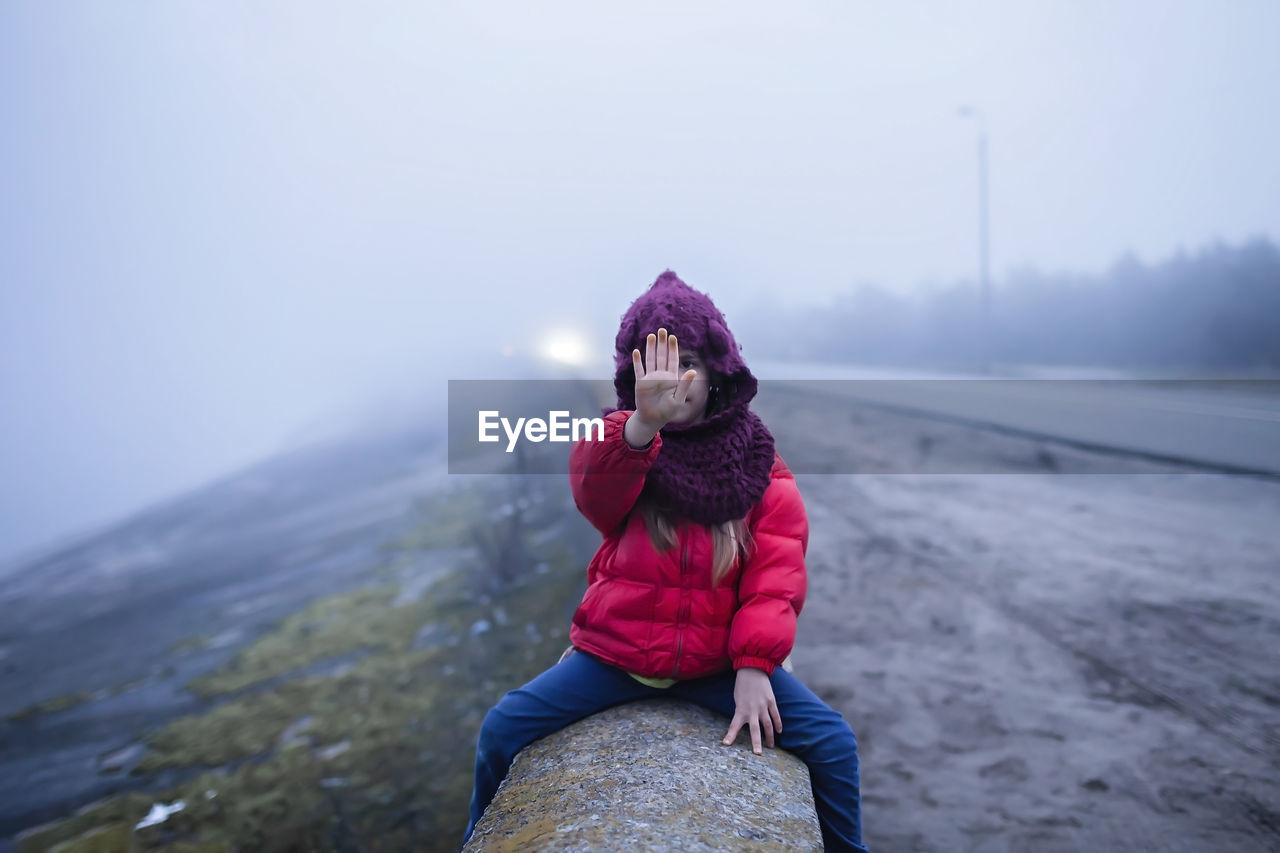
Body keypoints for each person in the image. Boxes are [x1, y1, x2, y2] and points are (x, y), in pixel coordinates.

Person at [462, 271, 869, 852]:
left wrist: (755, 666)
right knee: (502, 727)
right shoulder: (620, 442)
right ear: (631, 379)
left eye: (686, 368)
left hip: (716, 665)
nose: (671, 384)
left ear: (717, 375)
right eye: (651, 370)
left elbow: (774, 581)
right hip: (616, 656)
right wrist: (641, 427)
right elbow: (593, 495)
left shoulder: (759, 466)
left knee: (833, 742)